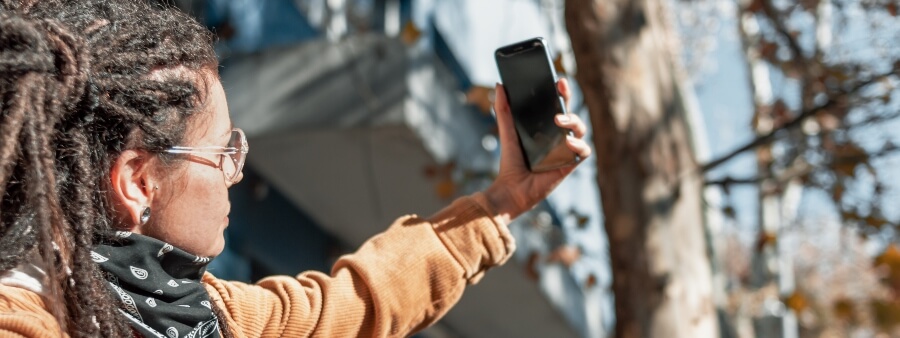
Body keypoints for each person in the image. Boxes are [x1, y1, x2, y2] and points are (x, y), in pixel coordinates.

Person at [0, 0, 592, 337]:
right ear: (138, 181)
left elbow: (359, 299)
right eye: (224, 151)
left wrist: (504, 199)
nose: (235, 173)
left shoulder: (208, 313)